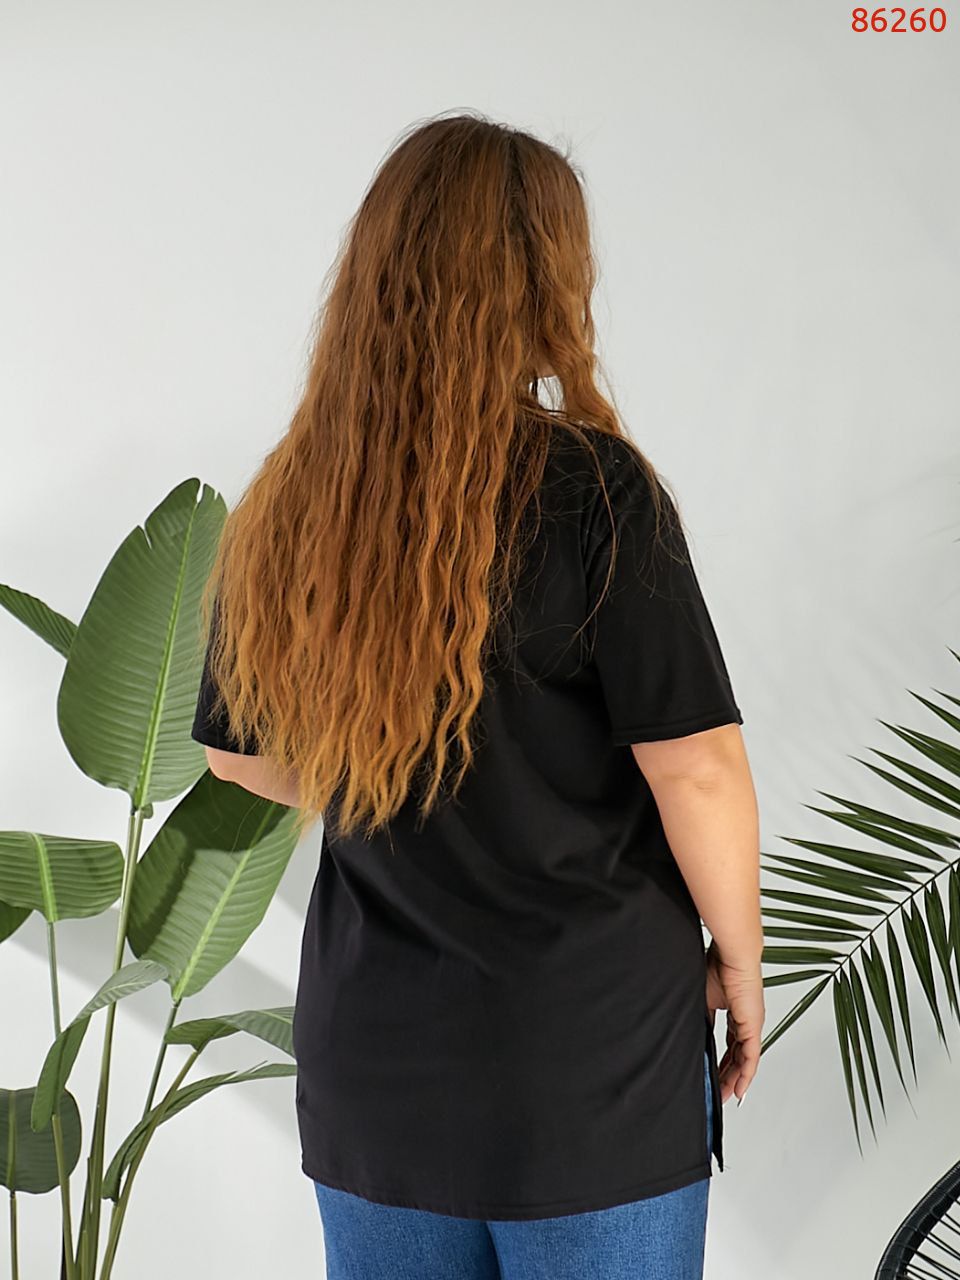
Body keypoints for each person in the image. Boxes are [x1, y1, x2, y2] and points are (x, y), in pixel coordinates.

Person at [190, 109, 764, 1280]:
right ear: (545, 277)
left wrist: (386, 763)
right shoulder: (595, 491)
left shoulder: (296, 500)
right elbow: (696, 765)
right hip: (590, 1068)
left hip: (378, 1070)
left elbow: (237, 753)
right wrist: (743, 968)